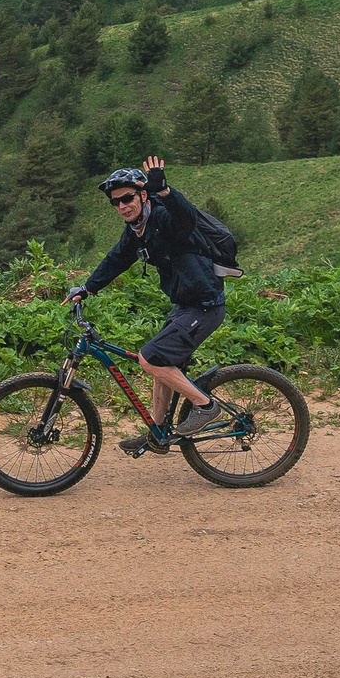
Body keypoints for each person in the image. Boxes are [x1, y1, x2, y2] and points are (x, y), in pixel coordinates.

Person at [63, 155, 231, 456]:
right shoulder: (136, 230)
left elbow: (186, 219)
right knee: (162, 364)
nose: (122, 206)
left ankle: (206, 406)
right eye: (116, 203)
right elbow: (116, 259)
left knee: (151, 358)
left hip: (205, 304)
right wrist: (87, 288)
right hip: (184, 304)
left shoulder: (164, 218)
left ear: (142, 195)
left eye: (127, 198)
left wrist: (166, 192)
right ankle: (158, 432)